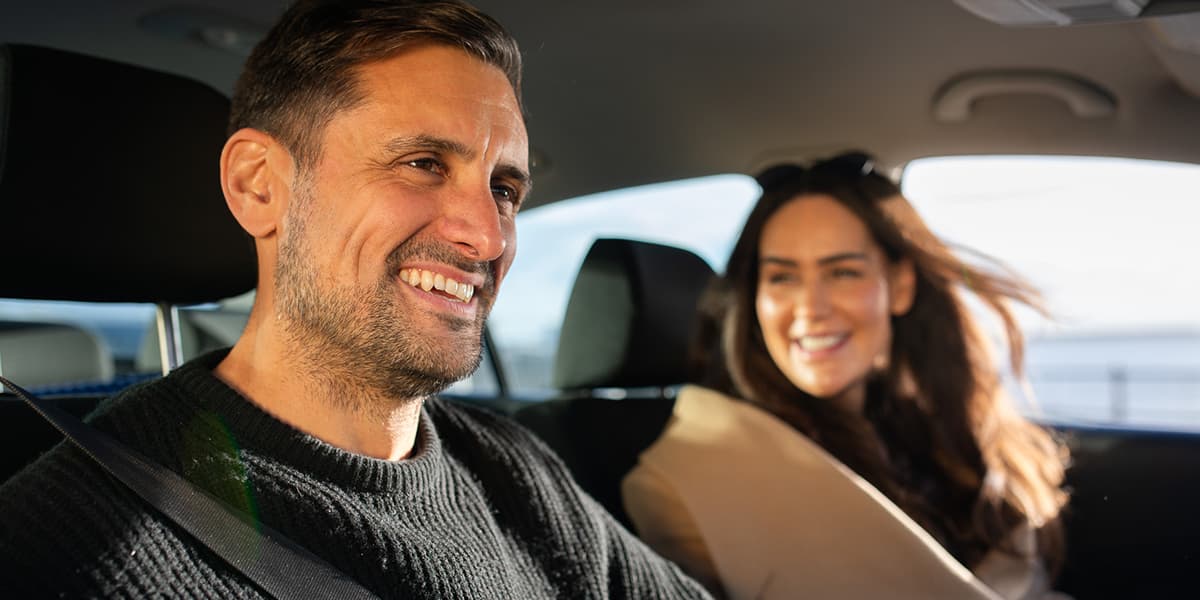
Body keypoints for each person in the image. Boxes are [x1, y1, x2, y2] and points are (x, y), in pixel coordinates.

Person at [0, 1, 711, 598]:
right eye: (424, 163)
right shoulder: (71, 548)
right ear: (259, 185)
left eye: (504, 189)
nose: (489, 237)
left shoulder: (515, 471)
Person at [622, 151, 1071, 600]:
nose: (811, 309)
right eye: (782, 278)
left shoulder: (933, 430)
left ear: (899, 286)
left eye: (842, 272)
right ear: (754, 297)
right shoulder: (691, 478)